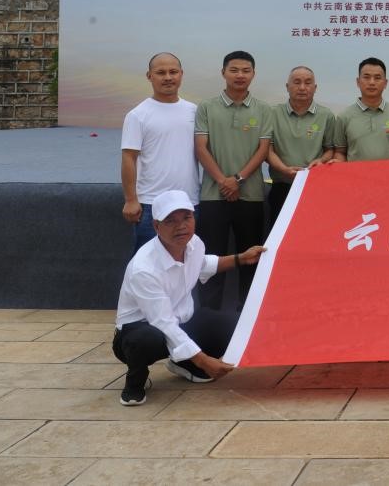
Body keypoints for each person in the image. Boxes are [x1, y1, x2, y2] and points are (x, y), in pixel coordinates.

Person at [113, 190, 266, 406]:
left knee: (232, 324)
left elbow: (203, 263)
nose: (181, 226)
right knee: (147, 339)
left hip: (182, 321)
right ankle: (135, 382)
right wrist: (205, 361)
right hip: (138, 331)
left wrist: (241, 258)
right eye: (171, 221)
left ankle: (185, 364)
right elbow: (163, 323)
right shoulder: (144, 269)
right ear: (156, 226)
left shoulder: (194, 243)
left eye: (187, 217)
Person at [194, 51, 271, 311]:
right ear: (223, 72)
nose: (240, 75)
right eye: (234, 70)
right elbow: (201, 148)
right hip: (212, 195)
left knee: (251, 259)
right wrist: (223, 181)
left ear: (253, 74)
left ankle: (246, 315)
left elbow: (263, 150)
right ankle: (208, 316)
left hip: (251, 196)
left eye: (246, 71)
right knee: (211, 259)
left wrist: (238, 179)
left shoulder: (264, 109)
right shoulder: (207, 107)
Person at [120, 52, 199, 256]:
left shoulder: (194, 111)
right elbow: (129, 157)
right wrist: (131, 199)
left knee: (187, 261)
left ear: (181, 74)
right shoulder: (138, 115)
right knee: (149, 262)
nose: (168, 77)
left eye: (173, 72)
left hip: (189, 201)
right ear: (149, 76)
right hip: (151, 204)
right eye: (161, 72)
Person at [265, 66, 335, 232]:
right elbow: (267, 150)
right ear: (287, 86)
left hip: (314, 188)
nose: (302, 87)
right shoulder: (272, 113)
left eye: (308, 83)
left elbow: (331, 150)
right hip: (281, 187)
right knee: (280, 235)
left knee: (312, 234)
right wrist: (284, 169)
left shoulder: (326, 115)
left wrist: (321, 160)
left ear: (315, 88)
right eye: (297, 82)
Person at [335, 57, 389, 162]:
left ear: (385, 83)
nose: (372, 82)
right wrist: (338, 161)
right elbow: (340, 152)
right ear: (358, 82)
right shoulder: (343, 117)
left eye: (377, 78)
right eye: (366, 77)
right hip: (356, 173)